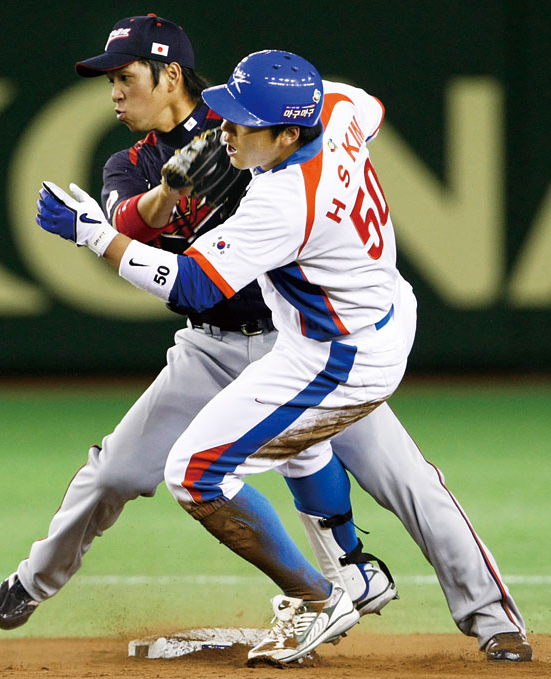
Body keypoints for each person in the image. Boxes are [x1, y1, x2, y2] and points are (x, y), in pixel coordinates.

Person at [34, 49, 533, 664]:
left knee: (203, 471)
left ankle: (328, 596)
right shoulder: (339, 109)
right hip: (359, 319)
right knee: (308, 448)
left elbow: (192, 285)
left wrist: (94, 234)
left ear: (288, 133)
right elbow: (365, 108)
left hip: (340, 355)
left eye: (243, 123)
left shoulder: (286, 201)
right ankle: (357, 576)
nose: (225, 131)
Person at [0, 14, 397, 648]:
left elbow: (323, 147)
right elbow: (132, 219)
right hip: (209, 344)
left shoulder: (248, 126)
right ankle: (35, 579)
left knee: (392, 477)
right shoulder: (133, 161)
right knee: (116, 472)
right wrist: (168, 190)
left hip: (295, 336)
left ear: (169, 73)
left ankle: (402, 593)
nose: (115, 92)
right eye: (111, 81)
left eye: (125, 77)